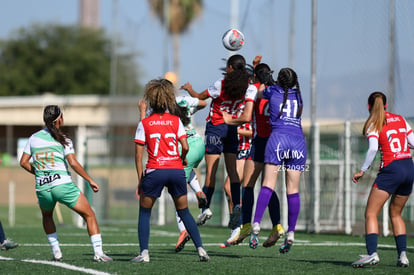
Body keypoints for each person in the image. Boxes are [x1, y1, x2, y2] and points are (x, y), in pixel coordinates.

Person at [20, 105, 112, 262]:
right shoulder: (64, 139)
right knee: (89, 215)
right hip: (62, 185)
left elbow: (23, 162)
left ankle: (57, 252)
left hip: (43, 187)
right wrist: (90, 180)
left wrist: (40, 173)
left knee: (47, 216)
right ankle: (99, 253)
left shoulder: (34, 138)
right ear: (59, 120)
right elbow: (73, 163)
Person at [132, 78, 209, 263]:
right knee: (184, 212)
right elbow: (185, 146)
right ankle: (201, 250)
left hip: (155, 170)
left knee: (144, 212)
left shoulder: (145, 123)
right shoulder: (176, 121)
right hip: (175, 170)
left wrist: (140, 179)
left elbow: (138, 155)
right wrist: (182, 158)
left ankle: (144, 254)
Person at [181, 54, 257, 230]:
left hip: (216, 128)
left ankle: (205, 209)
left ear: (230, 68)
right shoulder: (248, 87)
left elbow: (200, 97)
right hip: (231, 128)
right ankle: (237, 205)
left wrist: (189, 89)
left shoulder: (220, 84)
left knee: (211, 173)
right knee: (232, 171)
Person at [224, 61, 285, 247]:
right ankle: (277, 226)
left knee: (248, 185)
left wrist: (228, 120)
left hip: (260, 143)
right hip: (277, 143)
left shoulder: (254, 90)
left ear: (256, 77)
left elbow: (246, 117)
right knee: (268, 186)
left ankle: (247, 225)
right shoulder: (279, 90)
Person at [351, 91, 414, 268]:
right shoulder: (400, 119)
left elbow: (372, 150)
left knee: (371, 213)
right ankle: (403, 256)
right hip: (408, 167)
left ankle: (372, 254)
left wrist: (362, 170)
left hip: (391, 169)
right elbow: (413, 142)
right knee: (395, 213)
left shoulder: (374, 123)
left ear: (369, 106)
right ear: (386, 105)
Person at [249, 67, 306, 253]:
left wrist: (266, 81)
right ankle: (291, 233)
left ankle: (256, 225)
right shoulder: (298, 95)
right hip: (298, 142)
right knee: (293, 190)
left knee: (268, 184)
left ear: (279, 81)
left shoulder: (271, 90)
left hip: (278, 139)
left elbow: (258, 93)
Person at [220, 122, 253, 247]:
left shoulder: (247, 108)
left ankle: (243, 225)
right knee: (232, 193)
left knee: (229, 187)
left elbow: (252, 132)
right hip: (236, 151)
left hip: (247, 151)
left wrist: (235, 130)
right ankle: (236, 230)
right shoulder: (230, 109)